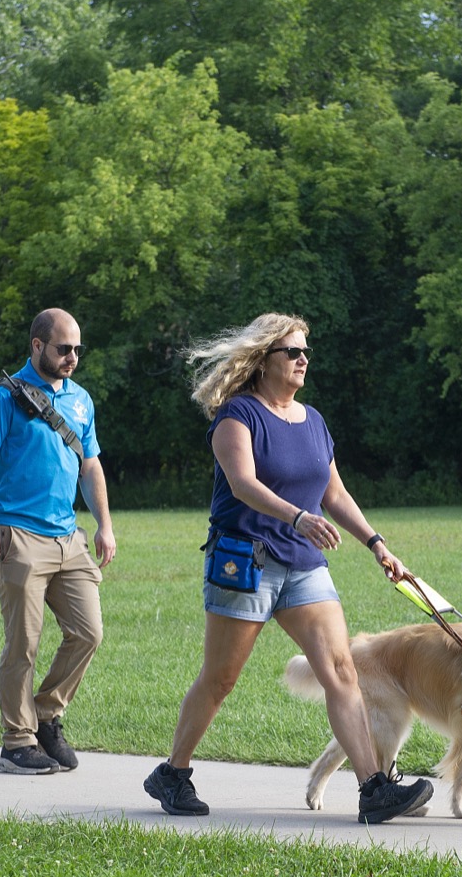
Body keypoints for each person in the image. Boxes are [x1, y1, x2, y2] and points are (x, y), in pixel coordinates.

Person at [143, 313, 434, 824]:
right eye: (293, 353)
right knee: (221, 678)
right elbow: (243, 484)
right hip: (246, 561)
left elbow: (334, 492)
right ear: (264, 361)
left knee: (342, 670)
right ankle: (172, 773)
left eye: (306, 353)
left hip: (303, 565)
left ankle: (374, 788)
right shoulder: (238, 416)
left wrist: (377, 543)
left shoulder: (314, 421)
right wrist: (298, 517)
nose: (303, 361)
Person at [0, 308, 116, 774]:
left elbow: (90, 466)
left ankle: (47, 715)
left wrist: (104, 524)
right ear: (37, 346)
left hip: (67, 537)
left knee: (89, 631)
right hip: (18, 535)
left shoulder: (81, 400)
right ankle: (17, 742)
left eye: (77, 349)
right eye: (63, 349)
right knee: (23, 645)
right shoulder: (3, 397)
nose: (72, 357)